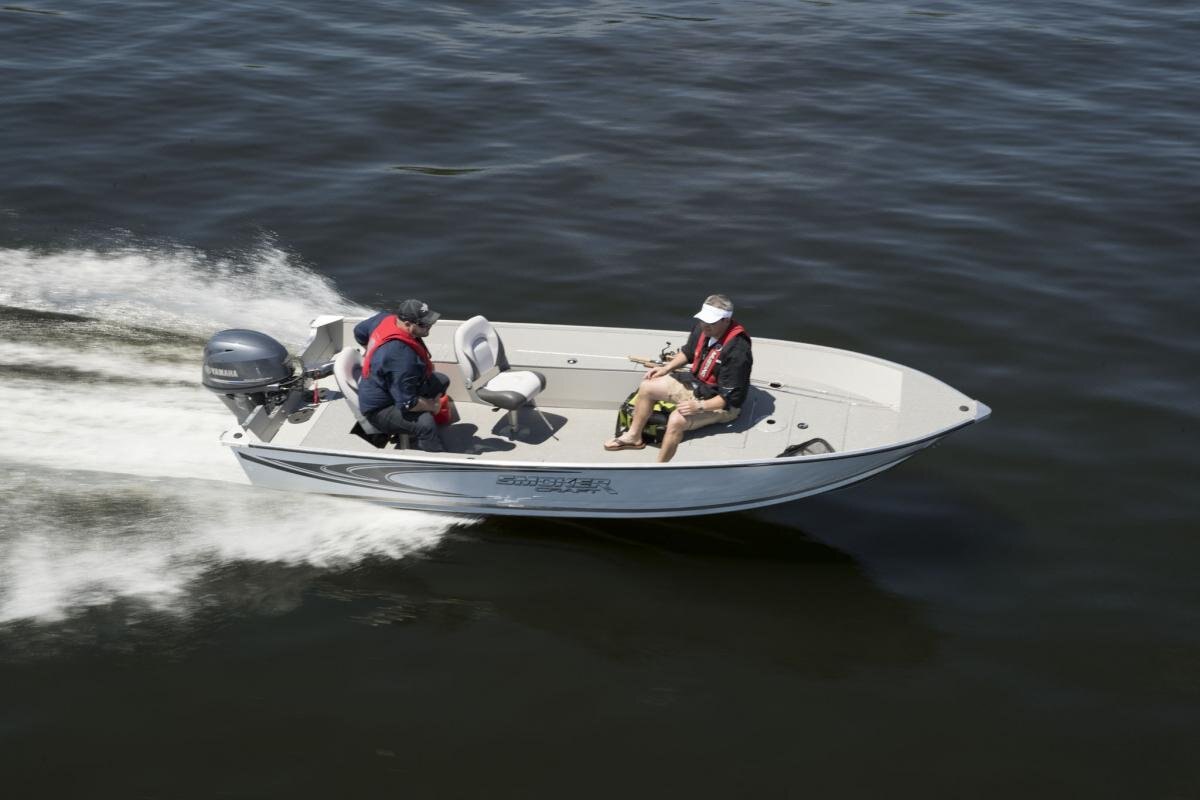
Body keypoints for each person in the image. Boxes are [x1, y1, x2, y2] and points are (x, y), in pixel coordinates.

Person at [604, 294, 752, 463]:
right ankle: (634, 437)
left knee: (676, 420)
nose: (705, 325)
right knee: (647, 386)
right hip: (697, 384)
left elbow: (731, 398)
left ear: (726, 320)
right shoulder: (703, 328)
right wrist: (666, 368)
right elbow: (688, 352)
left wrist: (699, 406)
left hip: (719, 403)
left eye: (711, 322)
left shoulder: (738, 351)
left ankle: (660, 467)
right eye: (703, 320)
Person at [354, 299, 450, 452]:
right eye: (424, 324)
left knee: (442, 381)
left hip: (391, 384)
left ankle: (409, 429)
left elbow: (359, 331)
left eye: (430, 321)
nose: (430, 326)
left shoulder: (385, 319)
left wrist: (372, 354)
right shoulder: (402, 359)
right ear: (407, 324)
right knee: (426, 424)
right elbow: (408, 403)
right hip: (380, 409)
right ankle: (433, 457)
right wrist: (433, 406)